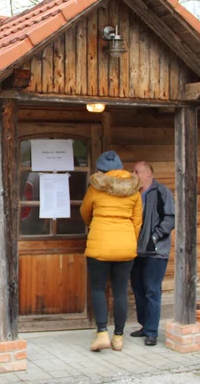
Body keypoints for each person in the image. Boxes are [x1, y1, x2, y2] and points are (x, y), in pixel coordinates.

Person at [80, 150, 142, 352]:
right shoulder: (134, 189)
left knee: (98, 289)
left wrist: (95, 225)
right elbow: (137, 222)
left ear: (101, 170)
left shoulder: (95, 188)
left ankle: (101, 334)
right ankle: (118, 337)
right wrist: (128, 239)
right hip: (125, 247)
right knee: (120, 291)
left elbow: (85, 212)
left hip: (100, 245)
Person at [130, 161, 175, 346]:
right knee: (139, 290)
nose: (134, 174)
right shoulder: (133, 194)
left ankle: (152, 332)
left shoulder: (161, 192)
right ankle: (144, 325)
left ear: (149, 174)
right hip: (135, 251)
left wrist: (155, 237)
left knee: (152, 291)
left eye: (137, 171)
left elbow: (170, 218)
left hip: (155, 253)